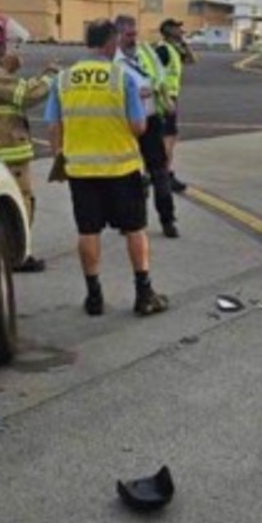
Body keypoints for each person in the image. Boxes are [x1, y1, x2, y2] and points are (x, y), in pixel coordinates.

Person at [44, 19, 170, 317]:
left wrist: (60, 156)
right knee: (135, 229)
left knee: (88, 231)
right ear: (110, 44)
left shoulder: (63, 80)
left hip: (81, 172)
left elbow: (53, 125)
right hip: (121, 168)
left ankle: (94, 296)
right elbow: (139, 127)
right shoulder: (120, 78)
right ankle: (143, 293)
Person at [0, 12, 57, 272]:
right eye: (3, 42)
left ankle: (7, 253)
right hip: (8, 154)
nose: (7, 46)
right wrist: (50, 76)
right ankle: (19, 256)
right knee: (21, 203)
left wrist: (6, 68)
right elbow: (25, 95)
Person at [113, 14, 179, 238]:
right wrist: (129, 94)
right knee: (128, 175)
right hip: (126, 123)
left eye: (135, 34)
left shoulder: (147, 52)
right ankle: (130, 221)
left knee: (159, 172)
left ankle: (168, 219)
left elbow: (161, 76)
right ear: (118, 35)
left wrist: (155, 90)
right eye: (129, 35)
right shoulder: (112, 60)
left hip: (150, 120)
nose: (134, 39)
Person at [154, 18, 196, 193]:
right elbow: (154, 75)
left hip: (171, 97)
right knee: (167, 138)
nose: (181, 30)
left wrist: (185, 45)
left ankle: (160, 173)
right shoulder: (163, 50)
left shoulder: (174, 49)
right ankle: (164, 174)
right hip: (166, 99)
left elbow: (192, 60)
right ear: (169, 31)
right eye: (178, 28)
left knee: (170, 138)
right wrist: (164, 98)